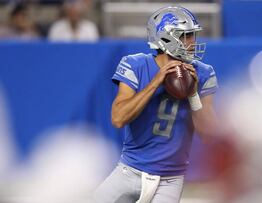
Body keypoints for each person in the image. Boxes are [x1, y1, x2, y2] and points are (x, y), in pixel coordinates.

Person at [93, 6, 219, 203]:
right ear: (165, 38)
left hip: (170, 179)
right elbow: (118, 118)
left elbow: (209, 134)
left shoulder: (202, 73)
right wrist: (155, 82)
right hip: (130, 170)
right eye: (185, 36)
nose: (192, 42)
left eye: (193, 35)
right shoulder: (136, 64)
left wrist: (193, 94)